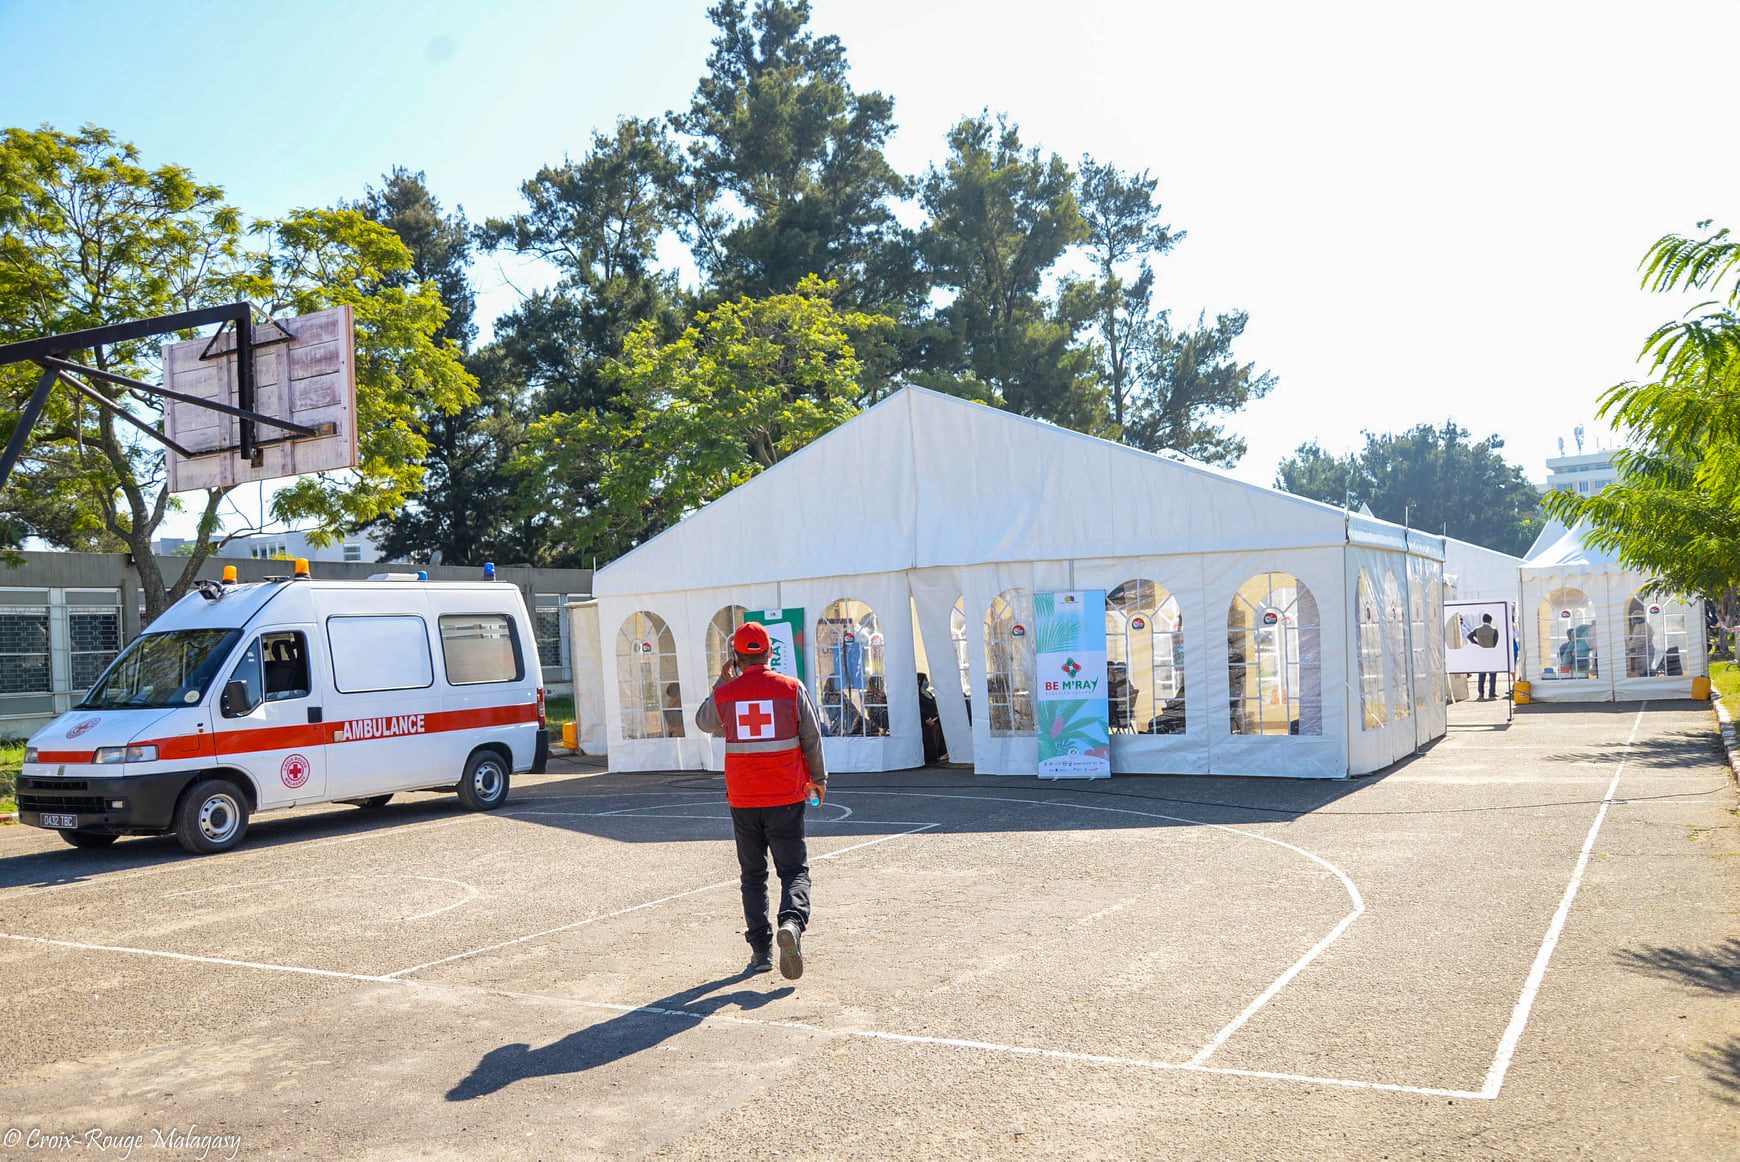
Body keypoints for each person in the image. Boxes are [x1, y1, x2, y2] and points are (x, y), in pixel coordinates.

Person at [695, 621, 828, 980]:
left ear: (735, 657)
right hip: (786, 796)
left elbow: (703, 722)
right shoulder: (791, 689)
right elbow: (811, 738)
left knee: (753, 876)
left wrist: (722, 681)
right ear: (771, 653)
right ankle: (792, 924)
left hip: (743, 800)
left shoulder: (727, 694)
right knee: (794, 870)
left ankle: (761, 951)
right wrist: (818, 779)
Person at [1466, 613, 1501, 699]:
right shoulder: (1494, 630)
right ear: (1490, 620)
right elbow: (1497, 642)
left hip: (1481, 653)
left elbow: (1469, 636)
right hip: (1491, 654)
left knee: (1481, 674)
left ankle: (1481, 693)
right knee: (1492, 674)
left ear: (1483, 620)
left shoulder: (1477, 629)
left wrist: (1477, 644)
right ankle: (1491, 693)